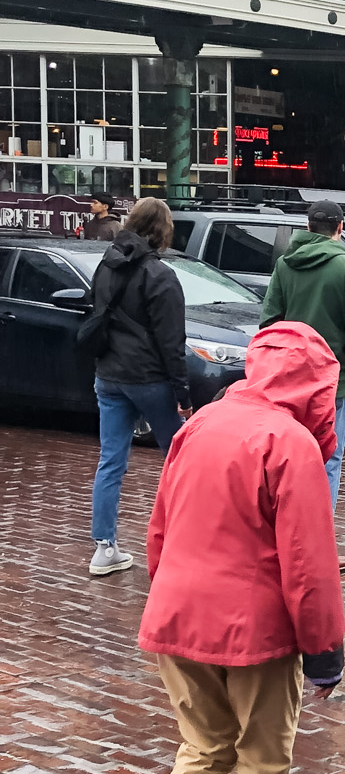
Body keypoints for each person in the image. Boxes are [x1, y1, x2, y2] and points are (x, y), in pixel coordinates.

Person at [113, 321, 345, 774]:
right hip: (255, 633)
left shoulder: (199, 424)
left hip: (176, 616)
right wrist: (325, 653)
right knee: (263, 761)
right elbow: (308, 565)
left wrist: (169, 599)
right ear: (315, 388)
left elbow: (159, 529)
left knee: (203, 747)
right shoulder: (289, 443)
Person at [259, 202, 345, 548]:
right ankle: (315, 542)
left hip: (288, 379)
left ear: (308, 227)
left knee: (287, 460)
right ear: (340, 227)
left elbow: (269, 323)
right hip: (333, 382)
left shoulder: (284, 265)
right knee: (328, 458)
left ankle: (283, 532)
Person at [86, 198, 190, 579]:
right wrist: (183, 395)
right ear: (162, 230)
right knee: (180, 459)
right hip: (150, 379)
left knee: (111, 461)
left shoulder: (106, 263)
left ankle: (104, 547)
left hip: (109, 375)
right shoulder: (160, 276)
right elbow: (171, 342)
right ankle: (184, 539)